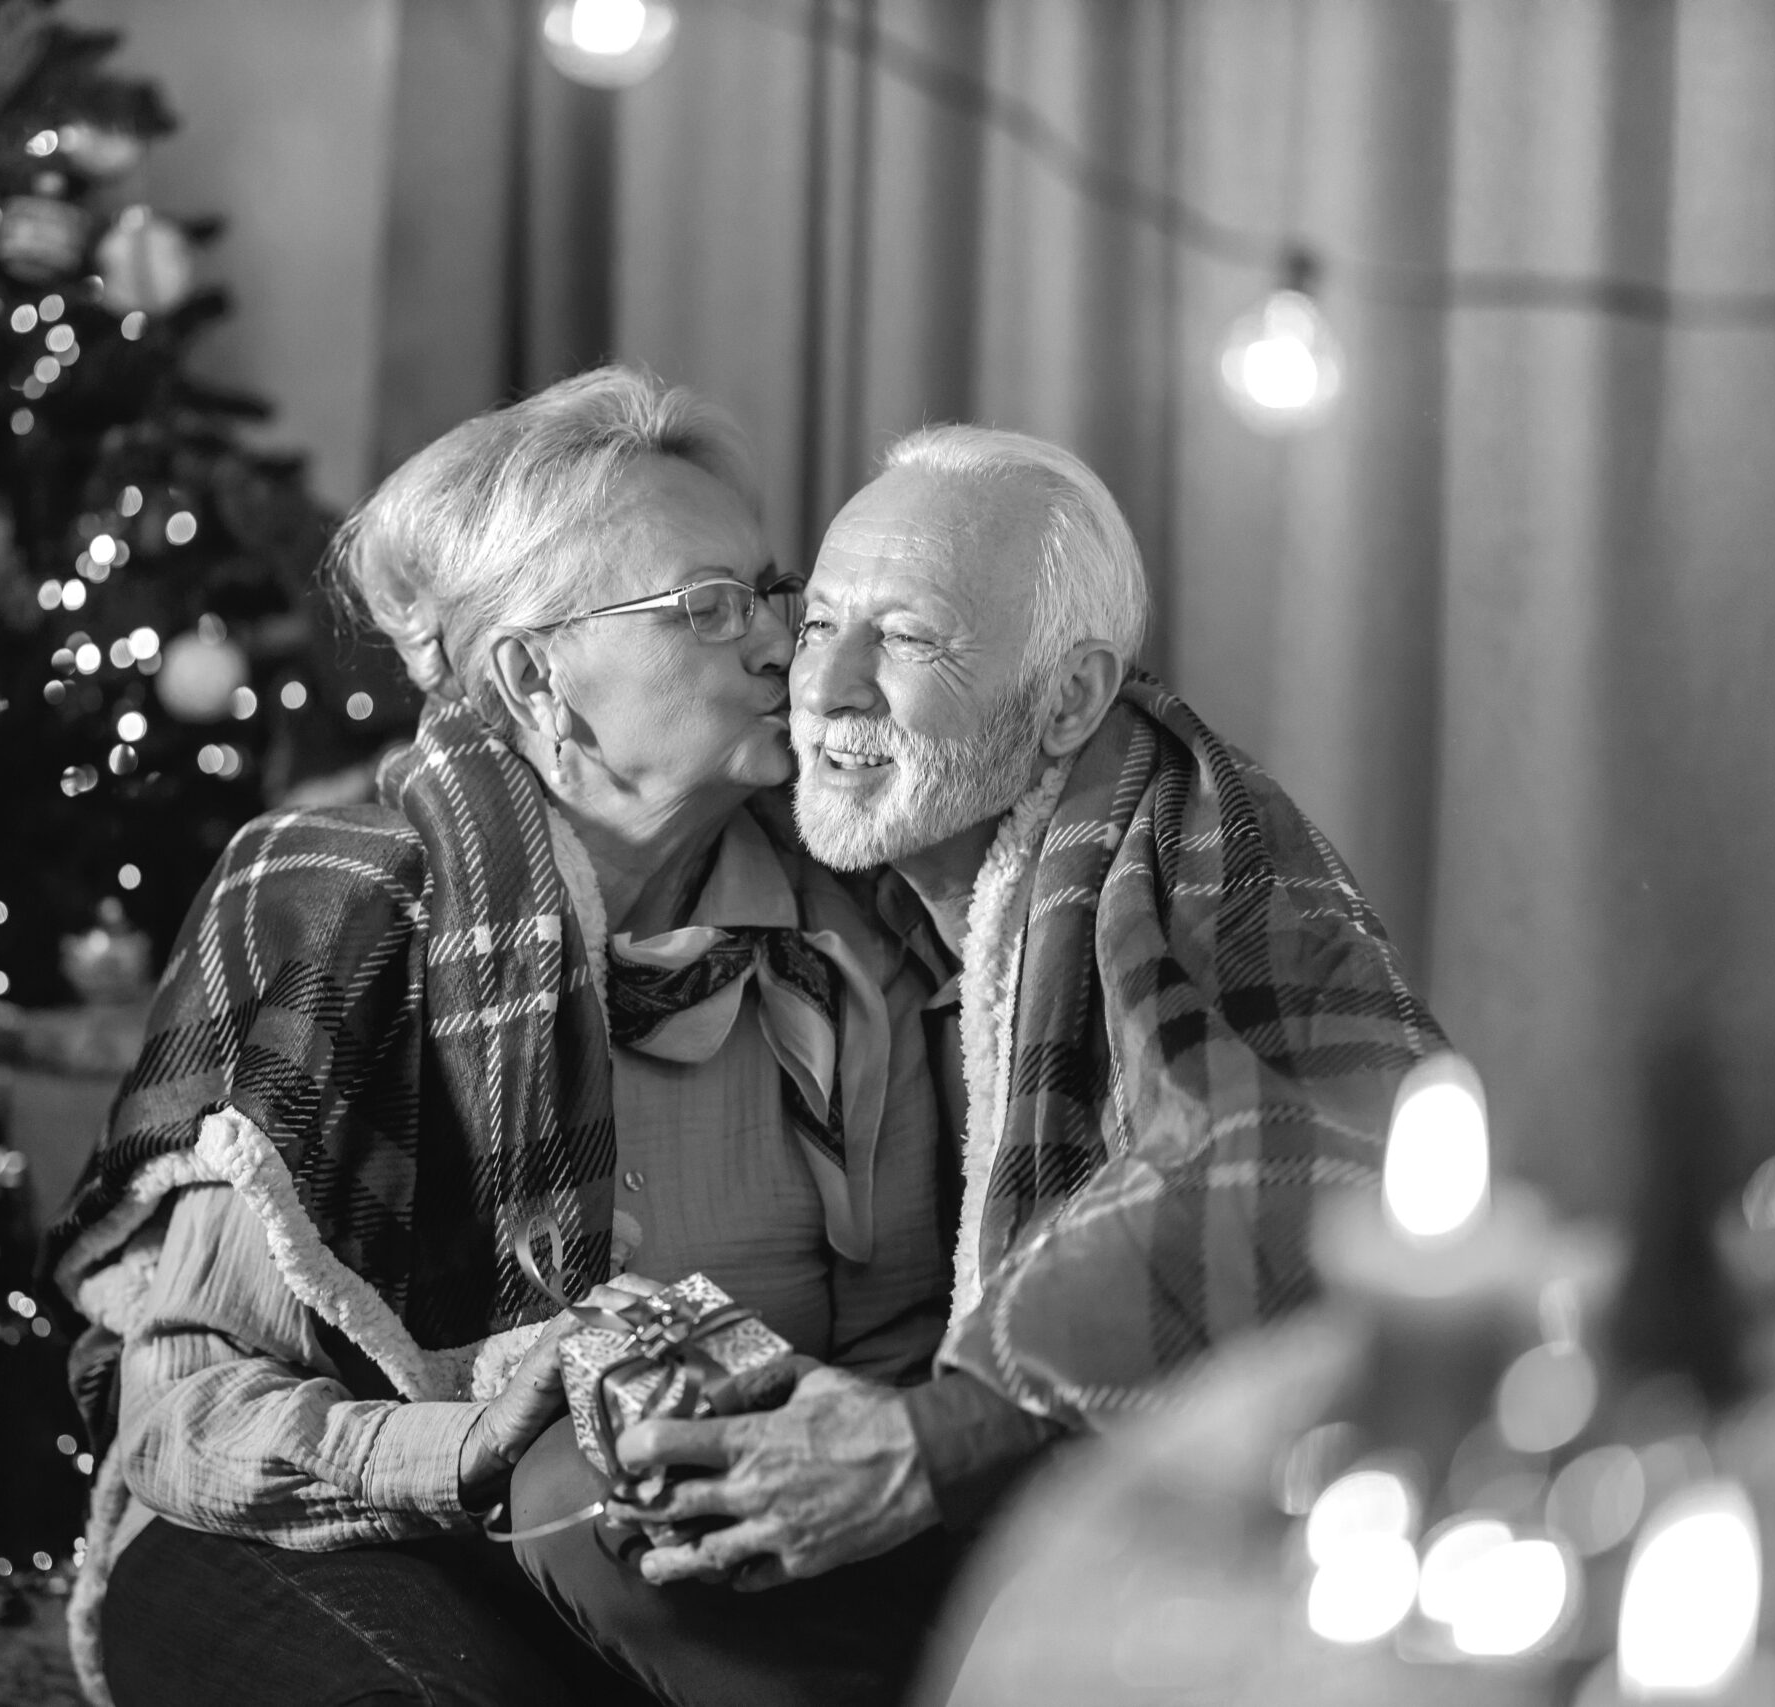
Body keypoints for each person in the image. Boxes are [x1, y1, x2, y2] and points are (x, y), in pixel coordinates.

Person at [46, 369, 954, 1707]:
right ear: (537, 678)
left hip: (668, 1548)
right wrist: (473, 1437)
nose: (783, 645)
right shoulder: (344, 906)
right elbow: (184, 1419)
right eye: (710, 607)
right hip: (322, 1515)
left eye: (771, 592)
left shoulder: (851, 935)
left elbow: (896, 1347)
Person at [584, 425, 1448, 1619]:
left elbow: (1326, 1167)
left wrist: (937, 1441)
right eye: (820, 620)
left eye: (906, 638)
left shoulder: (1192, 844)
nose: (824, 687)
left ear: (1069, 699)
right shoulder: (839, 837)